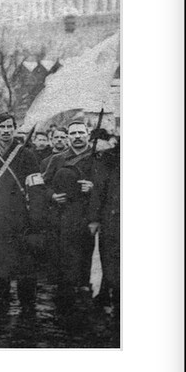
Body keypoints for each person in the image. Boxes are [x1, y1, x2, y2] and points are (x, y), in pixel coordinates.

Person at [0, 112, 42, 318]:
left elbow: (36, 187)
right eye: (2, 127)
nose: (6, 131)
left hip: (21, 218)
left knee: (25, 262)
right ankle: (1, 299)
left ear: (15, 128)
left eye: (9, 127)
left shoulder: (27, 154)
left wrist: (36, 217)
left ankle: (27, 302)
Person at [42, 119, 98, 318]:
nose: (77, 136)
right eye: (72, 133)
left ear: (87, 133)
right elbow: (43, 184)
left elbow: (108, 186)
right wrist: (52, 196)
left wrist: (92, 187)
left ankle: (84, 301)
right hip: (63, 216)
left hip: (87, 216)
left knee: (85, 258)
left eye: (80, 132)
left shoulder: (97, 157)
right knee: (65, 259)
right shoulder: (57, 159)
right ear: (68, 136)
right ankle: (65, 304)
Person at [89, 131, 120, 314]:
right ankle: (111, 296)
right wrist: (94, 218)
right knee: (110, 259)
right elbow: (99, 191)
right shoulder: (107, 160)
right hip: (112, 216)